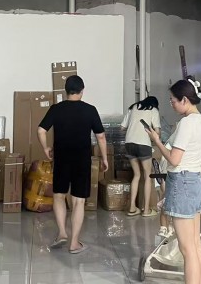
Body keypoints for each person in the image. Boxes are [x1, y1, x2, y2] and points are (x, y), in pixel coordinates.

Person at [146, 78, 201, 284]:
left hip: (182, 183)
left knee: (187, 250)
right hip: (195, 183)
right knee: (195, 245)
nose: (171, 104)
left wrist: (157, 141)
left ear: (184, 100)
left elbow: (174, 159)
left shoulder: (186, 124)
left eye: (173, 100)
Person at [37, 75, 109, 255]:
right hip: (81, 160)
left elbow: (41, 130)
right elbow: (101, 136)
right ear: (82, 91)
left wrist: (46, 148)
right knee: (78, 201)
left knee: (59, 196)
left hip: (61, 158)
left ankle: (62, 233)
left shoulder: (56, 109)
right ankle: (74, 243)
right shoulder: (90, 110)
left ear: (66, 91)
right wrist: (105, 158)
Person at [121, 96, 160, 217]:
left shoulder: (133, 107)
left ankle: (132, 208)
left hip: (129, 144)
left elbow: (122, 128)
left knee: (136, 175)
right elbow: (157, 132)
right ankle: (146, 210)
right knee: (147, 176)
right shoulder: (153, 110)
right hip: (143, 145)